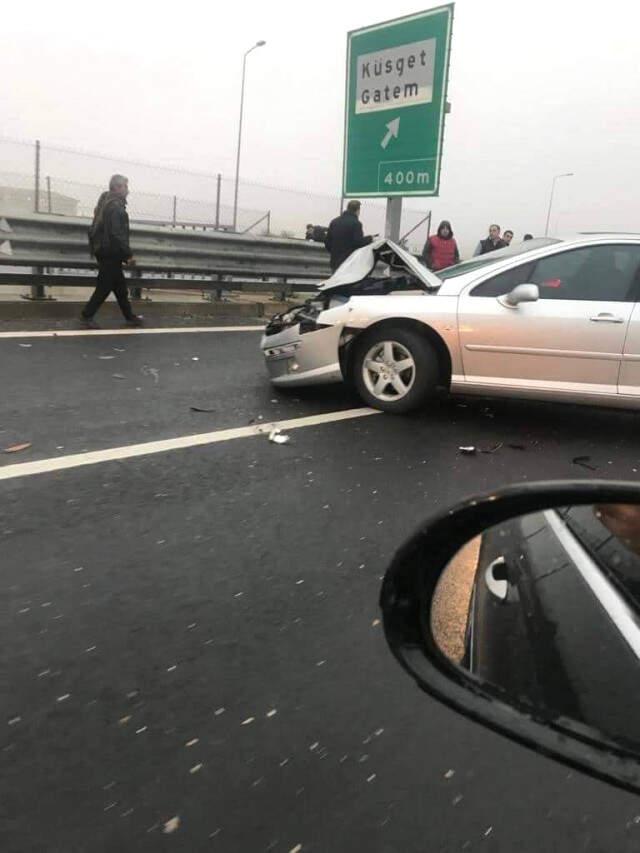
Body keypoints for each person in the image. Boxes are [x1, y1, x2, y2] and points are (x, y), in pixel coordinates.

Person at [81, 174, 143, 328]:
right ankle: (86, 315)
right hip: (110, 252)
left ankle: (129, 316)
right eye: (125, 186)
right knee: (104, 287)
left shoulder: (107, 202)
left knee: (120, 287)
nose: (128, 190)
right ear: (117, 187)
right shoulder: (115, 207)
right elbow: (116, 234)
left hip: (105, 251)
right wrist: (128, 255)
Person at [324, 200, 375, 272]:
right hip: (349, 263)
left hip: (335, 262)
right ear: (357, 210)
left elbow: (327, 242)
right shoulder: (356, 223)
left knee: (336, 282)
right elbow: (358, 242)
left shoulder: (334, 221)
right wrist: (370, 238)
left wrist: (335, 252)